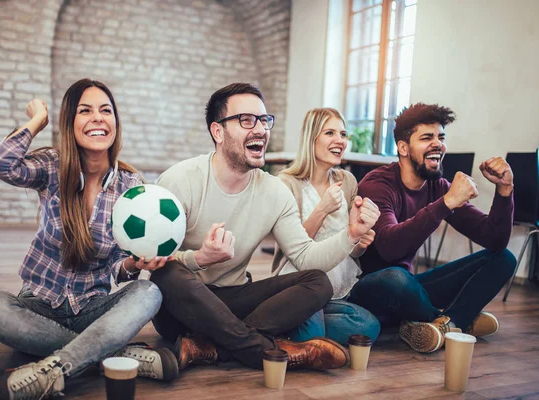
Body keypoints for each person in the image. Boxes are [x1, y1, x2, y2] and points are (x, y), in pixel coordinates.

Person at [151, 83, 380, 373]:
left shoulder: (274, 191)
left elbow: (305, 257)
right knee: (168, 273)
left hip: (235, 299)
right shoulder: (180, 180)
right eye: (246, 120)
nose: (260, 129)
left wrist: (352, 234)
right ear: (217, 132)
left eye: (264, 120)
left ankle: (211, 347)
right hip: (181, 309)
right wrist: (199, 259)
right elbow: (156, 261)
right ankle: (266, 352)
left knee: (317, 281)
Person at [0, 79, 178, 400]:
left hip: (92, 306)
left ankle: (54, 369)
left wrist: (134, 264)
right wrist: (36, 121)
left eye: (106, 110)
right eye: (85, 111)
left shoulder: (131, 185)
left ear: (115, 122)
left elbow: (117, 271)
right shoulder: (53, 166)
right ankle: (109, 355)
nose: (98, 117)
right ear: (69, 124)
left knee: (148, 292)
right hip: (39, 304)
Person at [349, 102, 516, 353]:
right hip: (369, 291)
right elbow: (389, 248)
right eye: (427, 137)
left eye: (441, 137)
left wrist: (505, 191)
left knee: (504, 258)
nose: (438, 143)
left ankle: (442, 325)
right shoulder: (377, 184)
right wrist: (446, 203)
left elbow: (494, 239)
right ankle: (458, 320)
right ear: (403, 148)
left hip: (411, 291)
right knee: (396, 277)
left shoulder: (437, 186)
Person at [272, 108, 381, 346]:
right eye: (330, 133)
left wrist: (361, 238)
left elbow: (352, 250)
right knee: (319, 334)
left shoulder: (347, 180)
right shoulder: (286, 183)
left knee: (368, 326)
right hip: (302, 284)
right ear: (312, 139)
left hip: (338, 287)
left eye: (342, 134)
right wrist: (322, 209)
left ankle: (290, 328)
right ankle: (298, 327)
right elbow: (294, 248)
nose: (339, 140)